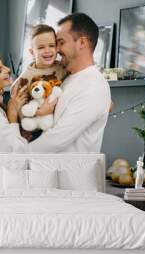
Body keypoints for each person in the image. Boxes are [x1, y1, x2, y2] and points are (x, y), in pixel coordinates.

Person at [26, 13, 112, 153]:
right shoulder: (66, 78)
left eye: (61, 42)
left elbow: (57, 140)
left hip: (73, 174)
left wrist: (15, 156)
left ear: (82, 43)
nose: (56, 50)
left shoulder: (94, 85)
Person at [12, 24, 67, 141]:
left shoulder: (62, 68)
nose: (47, 51)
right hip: (34, 131)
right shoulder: (25, 78)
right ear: (32, 52)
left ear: (57, 47)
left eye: (51, 45)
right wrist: (38, 112)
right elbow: (17, 109)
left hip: (57, 126)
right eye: (41, 47)